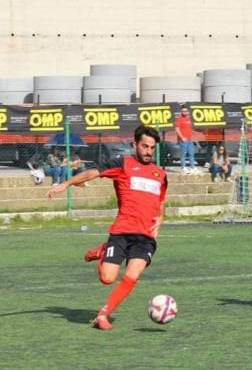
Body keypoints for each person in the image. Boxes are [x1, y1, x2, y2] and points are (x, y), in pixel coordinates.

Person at [47, 125, 167, 331]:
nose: (148, 151)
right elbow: (92, 173)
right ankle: (103, 250)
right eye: (144, 146)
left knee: (132, 275)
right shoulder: (123, 164)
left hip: (145, 237)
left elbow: (161, 200)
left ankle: (103, 315)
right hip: (121, 231)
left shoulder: (160, 174)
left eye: (152, 148)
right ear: (135, 145)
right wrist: (66, 184)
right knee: (107, 278)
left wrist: (161, 218)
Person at [175, 105, 198, 174]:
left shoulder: (188, 119)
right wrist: (182, 137)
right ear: (181, 112)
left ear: (188, 112)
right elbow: (177, 129)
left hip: (190, 139)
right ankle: (183, 168)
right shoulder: (179, 119)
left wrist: (192, 134)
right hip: (183, 140)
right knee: (183, 154)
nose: (184, 112)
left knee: (191, 154)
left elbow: (189, 128)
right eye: (183, 111)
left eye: (186, 111)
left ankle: (192, 167)